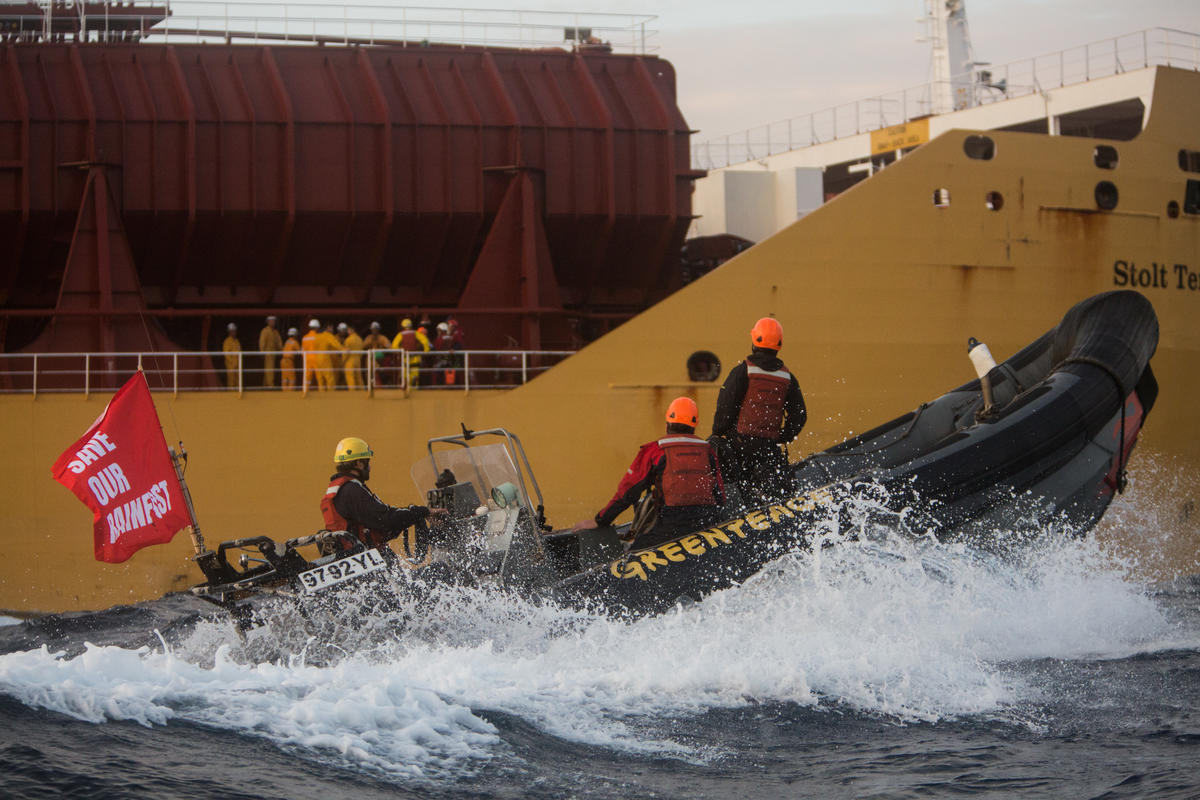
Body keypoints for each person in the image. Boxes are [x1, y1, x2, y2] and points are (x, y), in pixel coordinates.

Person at [574, 397, 725, 549]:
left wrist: (601, 520)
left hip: (672, 525)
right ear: (695, 425)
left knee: (636, 551)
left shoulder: (655, 451)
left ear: (668, 424)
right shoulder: (708, 451)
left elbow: (628, 491)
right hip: (707, 523)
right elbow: (720, 495)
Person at [711, 317, 807, 506]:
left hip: (738, 446)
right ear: (779, 344)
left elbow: (725, 408)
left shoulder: (743, 371)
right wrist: (781, 436)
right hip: (768, 450)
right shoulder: (788, 378)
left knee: (713, 456)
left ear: (754, 340)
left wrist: (719, 433)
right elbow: (799, 416)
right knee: (778, 495)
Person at [321, 437, 447, 555]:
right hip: (371, 559)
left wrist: (415, 514)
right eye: (367, 462)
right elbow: (386, 519)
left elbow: (381, 520)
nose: (369, 467)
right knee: (441, 569)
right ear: (358, 464)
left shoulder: (341, 489)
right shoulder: (352, 491)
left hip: (362, 557)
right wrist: (421, 512)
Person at [391, 318, 428, 388]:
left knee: (405, 375)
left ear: (402, 326)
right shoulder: (415, 333)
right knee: (415, 374)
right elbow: (425, 341)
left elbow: (394, 346)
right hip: (415, 357)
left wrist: (401, 352)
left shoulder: (400, 335)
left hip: (405, 358)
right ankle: (414, 386)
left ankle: (406, 387)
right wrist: (426, 351)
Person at [315, 323, 343, 391]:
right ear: (327, 328)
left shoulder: (317, 336)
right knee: (330, 377)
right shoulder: (328, 335)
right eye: (331, 328)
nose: (332, 330)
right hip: (325, 358)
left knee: (320, 378)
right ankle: (331, 395)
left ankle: (321, 394)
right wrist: (343, 349)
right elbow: (335, 343)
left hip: (317, 358)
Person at [363, 321, 391, 386]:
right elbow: (363, 347)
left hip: (379, 360)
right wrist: (369, 342)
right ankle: (370, 387)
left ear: (378, 330)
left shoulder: (382, 338)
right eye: (373, 329)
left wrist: (382, 352)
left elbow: (390, 347)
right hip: (369, 360)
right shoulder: (368, 338)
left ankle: (378, 387)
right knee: (369, 375)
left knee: (378, 374)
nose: (374, 331)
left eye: (376, 329)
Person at [258, 315, 283, 388]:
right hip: (268, 354)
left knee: (269, 370)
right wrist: (262, 352)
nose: (273, 322)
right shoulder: (265, 331)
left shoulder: (275, 332)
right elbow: (262, 342)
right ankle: (270, 385)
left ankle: (265, 385)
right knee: (270, 370)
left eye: (274, 321)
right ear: (268, 322)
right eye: (271, 321)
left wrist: (282, 351)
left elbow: (279, 343)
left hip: (273, 354)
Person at [342, 323, 364, 389]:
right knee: (359, 378)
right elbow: (361, 351)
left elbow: (345, 353)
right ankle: (362, 391)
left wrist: (343, 362)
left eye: (348, 330)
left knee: (350, 378)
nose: (347, 332)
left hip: (349, 361)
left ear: (352, 330)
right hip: (358, 360)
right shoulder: (360, 339)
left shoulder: (348, 340)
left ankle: (352, 393)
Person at [301, 319, 320, 390]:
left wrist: (305, 359)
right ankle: (322, 391)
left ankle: (305, 390)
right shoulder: (319, 337)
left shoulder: (305, 338)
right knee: (319, 377)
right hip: (317, 359)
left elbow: (302, 351)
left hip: (307, 360)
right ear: (317, 327)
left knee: (307, 377)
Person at [222, 323, 241, 389]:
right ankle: (231, 393)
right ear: (229, 332)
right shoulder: (227, 341)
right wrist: (232, 362)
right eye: (232, 331)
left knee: (238, 380)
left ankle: (237, 392)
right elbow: (226, 353)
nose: (234, 332)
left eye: (234, 331)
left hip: (238, 364)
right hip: (231, 365)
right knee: (231, 380)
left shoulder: (236, 341)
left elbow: (239, 351)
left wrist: (239, 362)